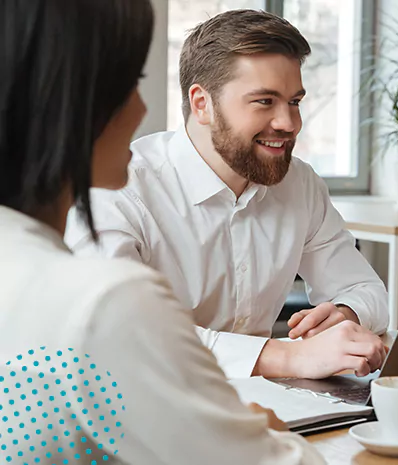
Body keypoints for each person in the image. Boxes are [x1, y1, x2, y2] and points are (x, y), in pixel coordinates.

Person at [0, 1, 325, 463]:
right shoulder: (106, 301)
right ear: (78, 105)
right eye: (131, 82)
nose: (143, 108)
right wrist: (273, 436)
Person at [64, 9, 388, 380]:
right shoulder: (120, 186)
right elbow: (119, 334)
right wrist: (283, 357)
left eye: (294, 101)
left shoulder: (301, 184)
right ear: (202, 104)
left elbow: (367, 290)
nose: (289, 123)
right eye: (265, 101)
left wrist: (346, 313)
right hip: (143, 408)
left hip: (269, 405)